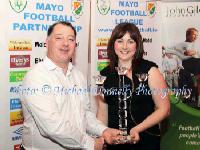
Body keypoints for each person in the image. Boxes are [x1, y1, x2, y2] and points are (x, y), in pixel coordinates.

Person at [20, 21, 122, 150]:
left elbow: (84, 114)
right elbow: (53, 127)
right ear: (47, 42)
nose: (65, 43)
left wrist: (103, 131)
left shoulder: (78, 75)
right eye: (59, 38)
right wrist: (90, 143)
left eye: (71, 39)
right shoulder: (36, 77)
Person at [96, 23, 170, 150]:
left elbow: (164, 109)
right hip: (115, 144)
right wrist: (102, 137)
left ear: (137, 45)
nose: (125, 46)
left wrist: (137, 129)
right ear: (113, 45)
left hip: (146, 141)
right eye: (120, 41)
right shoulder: (103, 75)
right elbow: (102, 113)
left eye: (130, 41)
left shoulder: (150, 70)